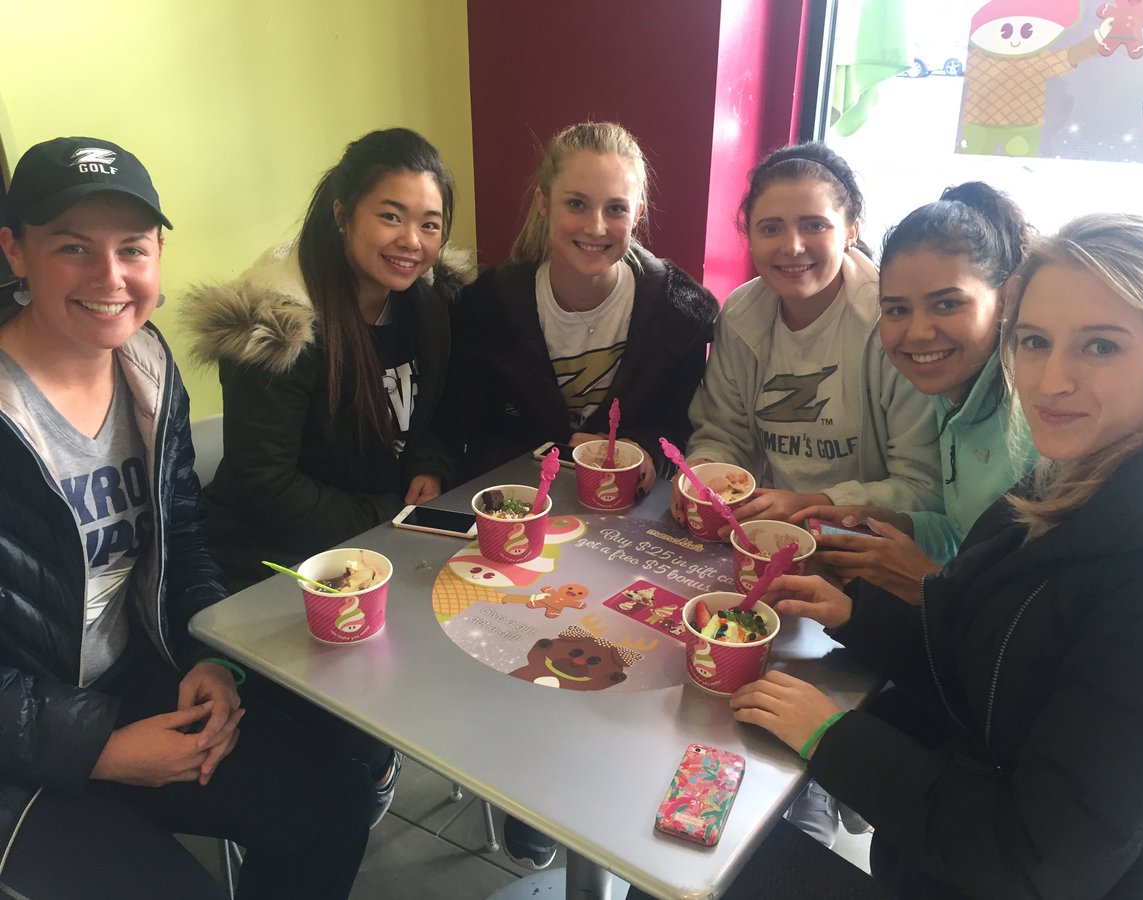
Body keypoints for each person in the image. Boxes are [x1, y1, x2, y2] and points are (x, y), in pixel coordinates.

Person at [725, 214, 1143, 897]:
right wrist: (855, 615)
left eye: (1100, 347)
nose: (1052, 380)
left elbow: (1033, 862)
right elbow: (1005, 669)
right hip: (940, 854)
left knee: (696, 866)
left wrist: (830, 734)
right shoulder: (1073, 476)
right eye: (1034, 342)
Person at [0, 137, 374, 899]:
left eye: (131, 249)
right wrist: (98, 748)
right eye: (73, 247)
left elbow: (183, 531)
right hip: (22, 747)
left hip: (132, 680)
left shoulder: (146, 362)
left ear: (158, 253)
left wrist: (208, 654)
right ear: (15, 252)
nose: (110, 278)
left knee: (332, 797)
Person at [186, 127, 470, 593]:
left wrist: (428, 464)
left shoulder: (425, 303)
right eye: (391, 216)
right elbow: (265, 482)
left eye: (430, 225)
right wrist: (387, 514)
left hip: (372, 548)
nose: (412, 241)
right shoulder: (280, 325)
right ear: (343, 215)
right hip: (272, 563)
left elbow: (430, 414)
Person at [675, 142, 940, 529]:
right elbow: (721, 436)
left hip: (863, 542)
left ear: (851, 229)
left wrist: (810, 505)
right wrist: (701, 474)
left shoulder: (892, 320)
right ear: (749, 235)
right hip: (756, 532)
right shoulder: (739, 316)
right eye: (771, 228)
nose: (792, 246)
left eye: (814, 225)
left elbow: (920, 487)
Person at [440, 121, 718, 488]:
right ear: (543, 202)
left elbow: (681, 431)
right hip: (521, 502)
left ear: (638, 212)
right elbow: (469, 436)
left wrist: (644, 452)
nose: (596, 227)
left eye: (616, 208)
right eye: (576, 204)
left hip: (627, 512)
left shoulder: (680, 314)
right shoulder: (486, 309)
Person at [796, 182, 1037, 603]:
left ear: (1006, 301)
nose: (918, 333)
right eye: (897, 310)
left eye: (947, 304)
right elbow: (963, 535)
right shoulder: (950, 396)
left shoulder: (1037, 423)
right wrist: (890, 525)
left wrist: (927, 585)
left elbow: (1027, 618)